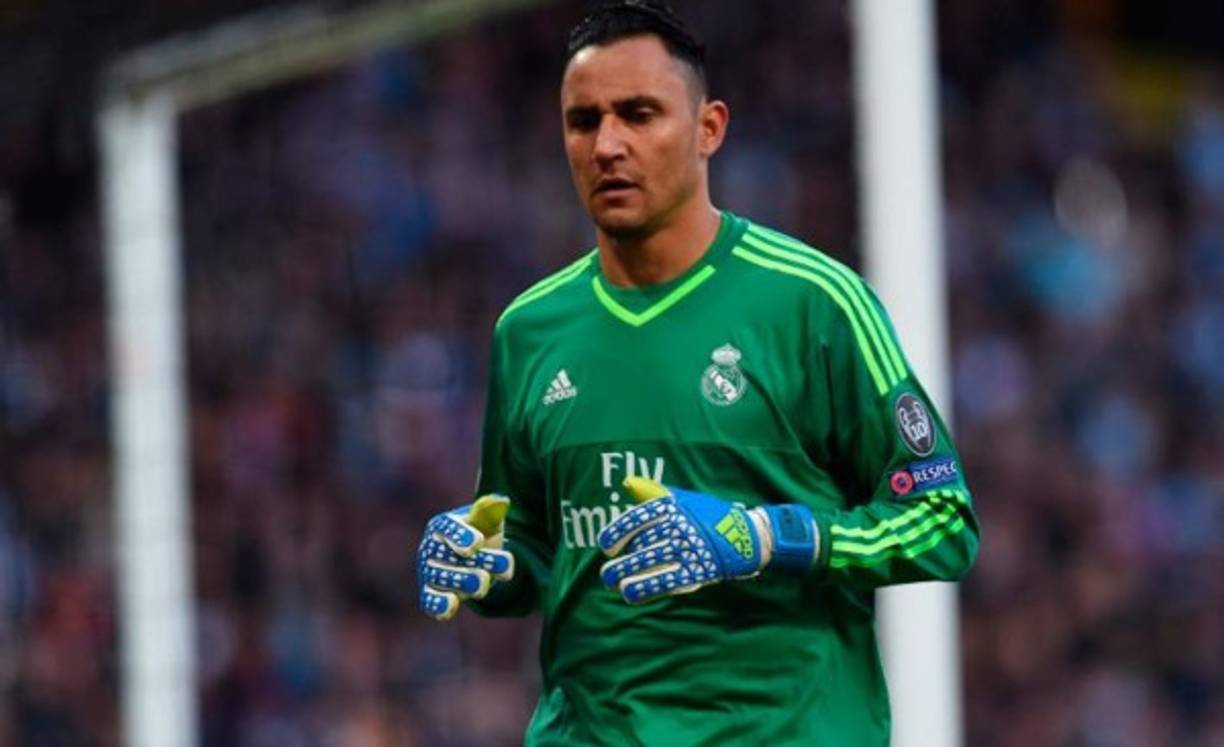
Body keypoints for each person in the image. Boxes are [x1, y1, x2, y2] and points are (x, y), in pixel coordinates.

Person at [416, 1, 979, 743]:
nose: (608, 144)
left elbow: (943, 523)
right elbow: (534, 545)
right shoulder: (529, 331)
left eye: (639, 114)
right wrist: (485, 566)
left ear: (709, 128)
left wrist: (766, 535)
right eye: (584, 121)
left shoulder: (814, 304)